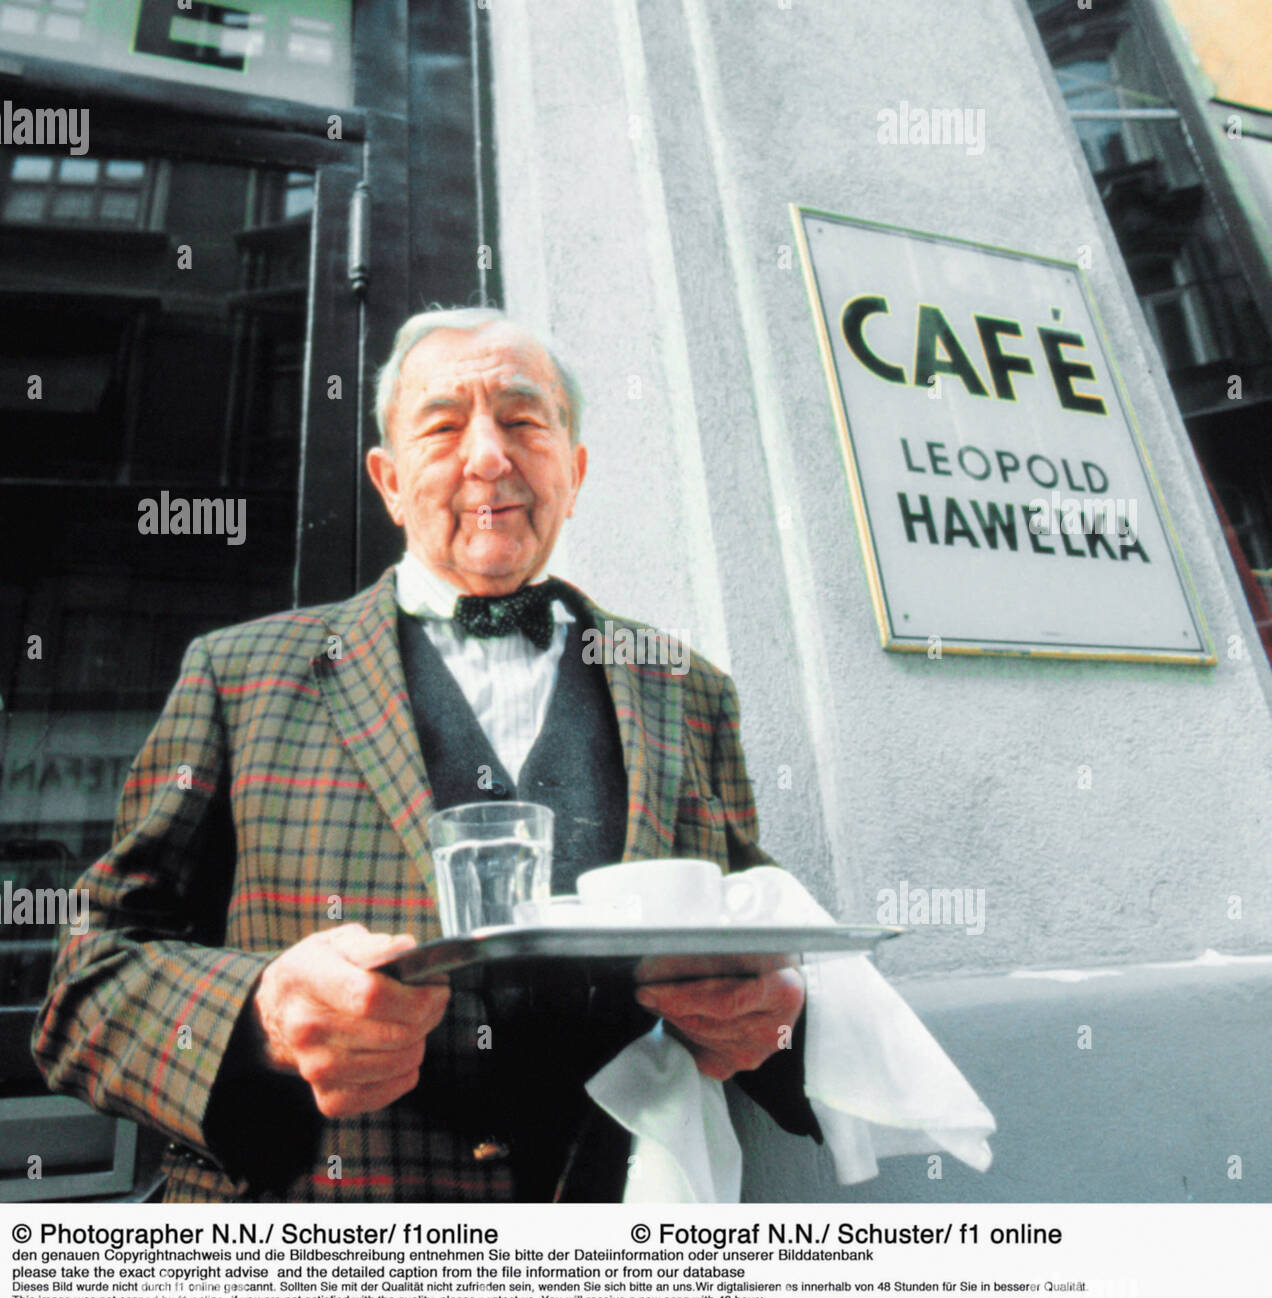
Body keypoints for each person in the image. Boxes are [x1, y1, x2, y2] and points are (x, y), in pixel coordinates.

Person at [32, 307, 819, 1202]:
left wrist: (774, 1022)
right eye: (443, 427)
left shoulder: (687, 688)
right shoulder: (237, 675)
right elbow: (82, 985)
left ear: (575, 467)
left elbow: (763, 953)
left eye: (526, 422)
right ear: (390, 479)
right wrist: (260, 1018)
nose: (490, 456)